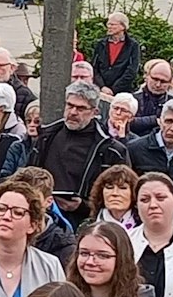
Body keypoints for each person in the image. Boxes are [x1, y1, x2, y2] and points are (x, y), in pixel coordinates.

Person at [33, 82, 127, 224]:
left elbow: (122, 195)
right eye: (70, 105)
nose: (73, 112)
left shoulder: (110, 150)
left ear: (95, 112)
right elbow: (29, 174)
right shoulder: (46, 136)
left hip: (87, 220)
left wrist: (83, 206)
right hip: (43, 214)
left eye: (81, 108)